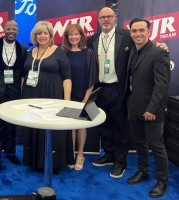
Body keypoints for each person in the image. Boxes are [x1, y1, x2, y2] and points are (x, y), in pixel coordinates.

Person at [86, 7, 168, 178]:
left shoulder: (127, 36)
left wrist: (161, 45)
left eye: (109, 16)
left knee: (121, 127)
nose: (106, 20)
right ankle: (108, 155)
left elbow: (144, 47)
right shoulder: (92, 39)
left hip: (120, 89)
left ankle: (120, 162)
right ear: (98, 20)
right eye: (103, 17)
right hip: (99, 89)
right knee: (104, 125)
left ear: (114, 18)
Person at [125, 18, 170, 198]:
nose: (138, 34)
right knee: (139, 143)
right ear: (131, 33)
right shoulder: (133, 51)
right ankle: (143, 172)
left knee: (156, 145)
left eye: (141, 30)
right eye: (134, 31)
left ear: (149, 31)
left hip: (151, 110)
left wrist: (152, 108)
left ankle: (162, 181)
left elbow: (162, 85)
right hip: (133, 106)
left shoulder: (159, 52)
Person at [21, 21, 73, 175]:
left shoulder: (58, 51)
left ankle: (54, 163)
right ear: (34, 36)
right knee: (34, 126)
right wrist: (22, 97)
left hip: (52, 95)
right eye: (39, 33)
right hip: (31, 95)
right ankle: (35, 161)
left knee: (51, 128)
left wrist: (66, 100)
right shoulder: (30, 52)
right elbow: (24, 76)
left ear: (50, 35)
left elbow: (67, 77)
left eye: (45, 33)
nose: (42, 36)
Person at [0, 20, 27, 173]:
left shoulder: (23, 48)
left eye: (14, 29)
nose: (11, 31)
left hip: (15, 92)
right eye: (8, 28)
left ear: (17, 31)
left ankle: (10, 152)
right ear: (3, 30)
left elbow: (23, 72)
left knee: (11, 125)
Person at [62, 24, 98, 170]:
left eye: (76, 34)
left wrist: (85, 99)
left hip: (84, 96)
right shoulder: (62, 52)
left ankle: (80, 155)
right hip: (67, 96)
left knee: (82, 125)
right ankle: (70, 154)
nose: (74, 37)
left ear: (82, 36)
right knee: (70, 127)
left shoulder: (88, 52)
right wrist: (66, 97)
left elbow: (92, 78)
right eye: (71, 35)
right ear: (66, 37)